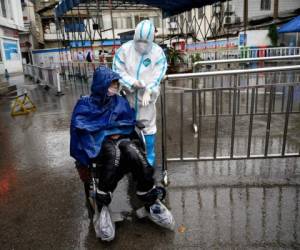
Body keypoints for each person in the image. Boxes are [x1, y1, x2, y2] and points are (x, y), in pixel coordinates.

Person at [70, 66, 175, 241]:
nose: (115, 87)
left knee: (135, 154)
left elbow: (128, 120)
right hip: (98, 143)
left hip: (121, 138)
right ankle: (102, 205)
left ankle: (149, 198)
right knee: (114, 155)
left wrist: (117, 130)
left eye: (116, 84)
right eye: (112, 84)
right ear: (101, 85)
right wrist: (106, 131)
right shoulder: (85, 103)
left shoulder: (118, 101)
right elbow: (80, 126)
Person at [113, 20, 167, 167]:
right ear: (134, 36)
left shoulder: (158, 53)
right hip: (127, 97)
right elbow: (118, 70)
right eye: (139, 40)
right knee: (127, 126)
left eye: (145, 41)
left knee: (148, 126)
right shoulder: (124, 50)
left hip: (146, 99)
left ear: (152, 39)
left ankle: (149, 156)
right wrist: (132, 82)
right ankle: (130, 157)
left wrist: (150, 88)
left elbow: (159, 73)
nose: (142, 45)